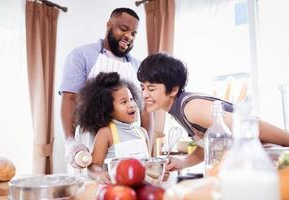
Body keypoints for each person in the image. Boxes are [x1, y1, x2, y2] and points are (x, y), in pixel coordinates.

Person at [137, 53, 289, 171]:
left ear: (174, 89)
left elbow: (253, 126)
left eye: (151, 89)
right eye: (142, 87)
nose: (144, 94)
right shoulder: (178, 109)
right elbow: (207, 144)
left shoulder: (191, 108)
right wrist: (183, 163)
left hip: (269, 157)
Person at [59, 7, 151, 168]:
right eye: (123, 29)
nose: (128, 36)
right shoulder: (81, 56)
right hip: (89, 147)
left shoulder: (138, 66)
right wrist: (70, 142)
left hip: (130, 149)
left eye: (133, 33)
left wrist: (147, 151)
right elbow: (70, 100)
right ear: (109, 25)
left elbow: (146, 110)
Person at [75, 72, 150, 184]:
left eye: (131, 99)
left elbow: (149, 165)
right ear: (108, 109)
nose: (131, 104)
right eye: (124, 102)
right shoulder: (106, 133)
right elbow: (93, 166)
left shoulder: (142, 133)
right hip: (116, 190)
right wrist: (99, 173)